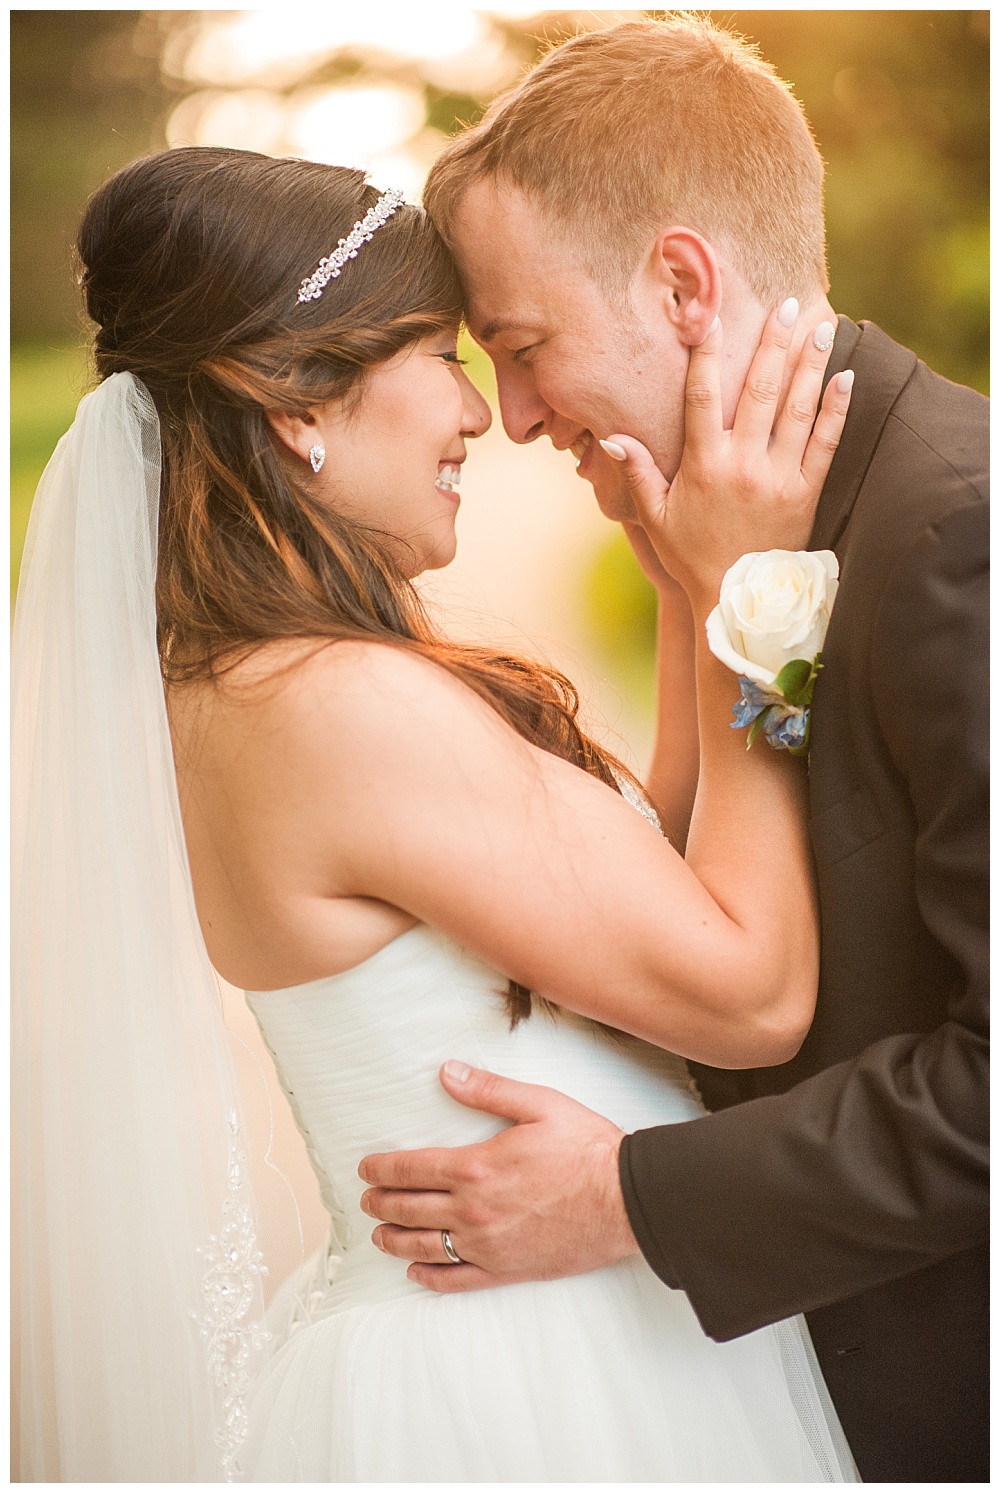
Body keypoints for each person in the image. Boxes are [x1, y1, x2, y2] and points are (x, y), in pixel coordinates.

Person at [12, 144, 859, 1481]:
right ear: (302, 405)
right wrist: (770, 602)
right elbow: (748, 986)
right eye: (437, 354)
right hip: (529, 1380)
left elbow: (647, 891)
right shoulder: (333, 706)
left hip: (501, 1320)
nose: (479, 414)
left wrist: (690, 601)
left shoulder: (247, 691)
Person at [358, 17, 989, 1485]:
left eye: (522, 347)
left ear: (684, 285)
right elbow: (713, 895)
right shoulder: (753, 544)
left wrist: (622, 1198)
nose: (510, 418)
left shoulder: (958, 538)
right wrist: (714, 602)